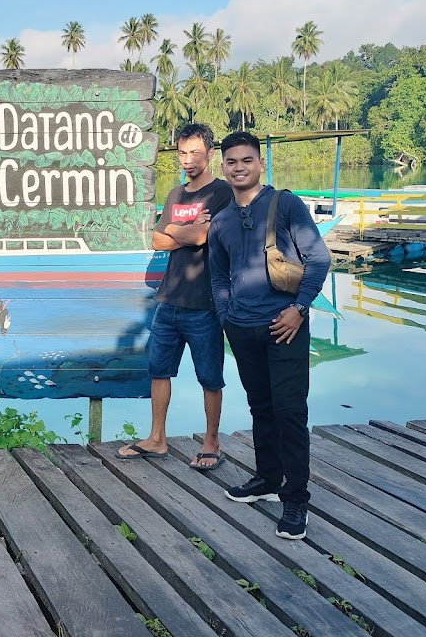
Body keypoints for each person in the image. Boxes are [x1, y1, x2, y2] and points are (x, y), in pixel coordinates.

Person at [208, 131, 331, 540]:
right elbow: (218, 277)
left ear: (260, 164)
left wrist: (300, 309)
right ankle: (267, 478)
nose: (239, 167)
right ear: (223, 167)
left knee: (290, 411)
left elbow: (318, 259)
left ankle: (295, 498)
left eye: (246, 160)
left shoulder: (285, 205)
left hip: (285, 326)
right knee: (260, 406)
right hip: (242, 328)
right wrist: (226, 318)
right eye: (231, 162)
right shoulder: (221, 221)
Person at [117, 123, 233, 469]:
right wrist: (182, 228)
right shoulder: (175, 195)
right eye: (182, 153)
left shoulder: (221, 193)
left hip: (204, 304)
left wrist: (178, 230)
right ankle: (157, 439)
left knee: (210, 377)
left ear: (210, 153)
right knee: (159, 370)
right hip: (168, 300)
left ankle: (211, 442)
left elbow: (203, 237)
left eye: (195, 152)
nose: (188, 160)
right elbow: (158, 240)